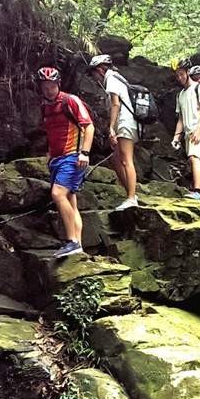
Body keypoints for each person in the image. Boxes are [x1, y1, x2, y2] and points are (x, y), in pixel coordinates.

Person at [37, 66, 95, 257]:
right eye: (45, 86)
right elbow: (51, 131)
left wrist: (84, 153)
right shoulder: (45, 106)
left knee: (57, 194)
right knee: (70, 200)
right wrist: (49, 153)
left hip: (72, 156)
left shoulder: (70, 101)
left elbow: (89, 127)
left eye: (51, 86)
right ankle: (78, 245)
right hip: (56, 159)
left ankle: (71, 241)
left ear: (58, 84)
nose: (48, 90)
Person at [88, 54, 139, 210]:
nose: (94, 78)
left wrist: (111, 128)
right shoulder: (117, 78)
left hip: (125, 123)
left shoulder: (111, 78)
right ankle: (130, 193)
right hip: (124, 123)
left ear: (100, 70)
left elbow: (115, 105)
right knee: (116, 160)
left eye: (94, 74)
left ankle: (131, 198)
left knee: (126, 159)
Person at [171, 61, 200, 201]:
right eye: (177, 76)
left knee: (194, 158)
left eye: (181, 74)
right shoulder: (180, 95)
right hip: (188, 132)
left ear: (188, 72)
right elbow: (180, 119)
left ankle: (197, 192)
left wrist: (199, 129)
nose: (179, 78)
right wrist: (176, 137)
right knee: (198, 163)